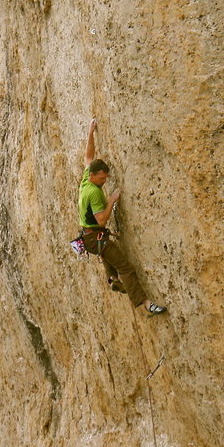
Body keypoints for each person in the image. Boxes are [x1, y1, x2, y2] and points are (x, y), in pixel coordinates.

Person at [78, 118, 167, 316]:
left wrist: (90, 132)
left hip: (90, 237)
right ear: (93, 177)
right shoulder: (93, 193)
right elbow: (101, 220)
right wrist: (112, 200)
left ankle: (112, 280)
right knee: (126, 267)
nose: (104, 181)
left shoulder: (86, 179)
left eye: (105, 178)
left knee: (108, 252)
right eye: (101, 178)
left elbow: (88, 156)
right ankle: (146, 304)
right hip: (94, 236)